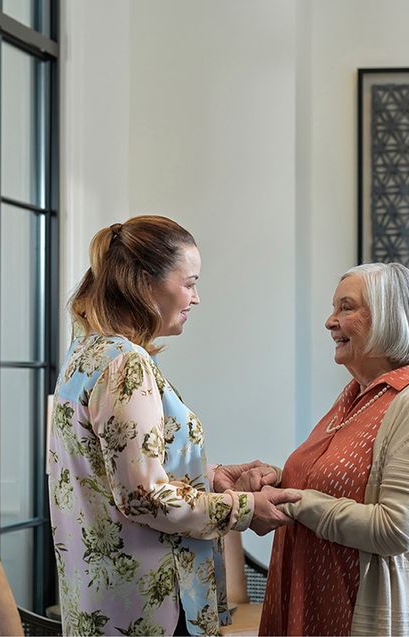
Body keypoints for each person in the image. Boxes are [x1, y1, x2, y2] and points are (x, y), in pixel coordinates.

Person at [47, 215, 299, 636]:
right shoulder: (125, 363)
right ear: (145, 284)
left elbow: (119, 472)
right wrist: (244, 510)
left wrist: (212, 476)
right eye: (190, 282)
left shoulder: (86, 351)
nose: (196, 298)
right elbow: (144, 497)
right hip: (149, 609)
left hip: (104, 602)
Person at [253, 262, 409, 636]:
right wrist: (277, 479)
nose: (330, 321)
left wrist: (289, 501)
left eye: (346, 307)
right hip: (313, 605)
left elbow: (396, 528)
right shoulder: (356, 395)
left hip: (361, 617)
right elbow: (338, 484)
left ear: (390, 318)